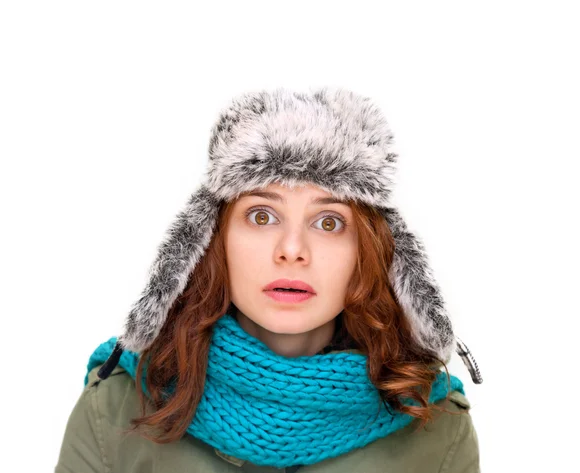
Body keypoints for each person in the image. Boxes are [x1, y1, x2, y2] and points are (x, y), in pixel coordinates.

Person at [55, 87, 482, 472]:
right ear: (210, 240)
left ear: (371, 252)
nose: (292, 249)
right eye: (262, 216)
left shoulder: (434, 425)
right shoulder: (114, 410)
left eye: (329, 222)